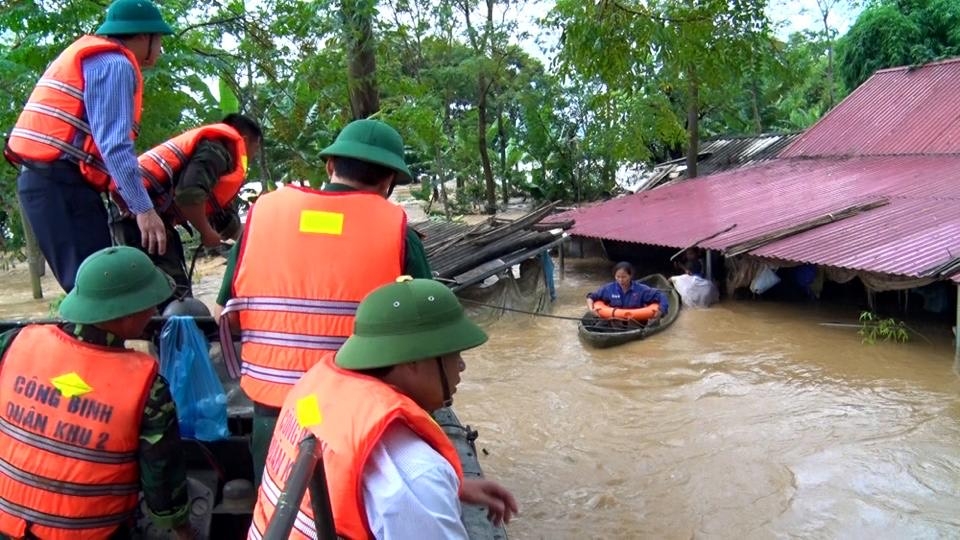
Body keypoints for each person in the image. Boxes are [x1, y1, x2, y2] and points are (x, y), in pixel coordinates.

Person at [216, 118, 432, 487]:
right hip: (357, 413)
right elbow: (429, 331)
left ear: (330, 166)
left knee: (276, 511)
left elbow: (226, 308)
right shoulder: (396, 230)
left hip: (274, 411)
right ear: (389, 182)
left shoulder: (263, 214)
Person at [248, 277, 518, 539]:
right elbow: (407, 484)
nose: (461, 366)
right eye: (453, 354)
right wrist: (433, 492)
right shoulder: (416, 472)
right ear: (414, 360)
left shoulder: (318, 388)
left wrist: (453, 487)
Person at [0, 246, 194, 540]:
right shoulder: (147, 389)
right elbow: (162, 480)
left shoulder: (16, 342)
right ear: (127, 314)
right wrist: (182, 527)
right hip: (90, 533)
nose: (154, 311)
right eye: (150, 304)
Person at [4, 0, 175, 293]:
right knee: (96, 290)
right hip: (61, 186)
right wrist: (144, 209)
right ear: (143, 37)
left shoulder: (93, 59)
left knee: (87, 285)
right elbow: (115, 146)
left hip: (45, 183)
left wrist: (121, 194)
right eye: (159, 40)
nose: (160, 49)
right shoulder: (116, 65)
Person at [109, 114, 264, 299]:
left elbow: (220, 214)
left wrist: (251, 241)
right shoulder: (217, 149)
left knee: (169, 289)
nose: (253, 157)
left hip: (145, 216)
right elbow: (188, 196)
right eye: (255, 149)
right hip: (138, 217)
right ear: (245, 140)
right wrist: (206, 232)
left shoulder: (215, 152)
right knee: (171, 293)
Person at [586, 261, 670, 316]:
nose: (620, 280)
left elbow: (661, 296)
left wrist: (661, 310)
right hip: (615, 319)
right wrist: (591, 309)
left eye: (624, 277)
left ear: (630, 276)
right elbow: (591, 297)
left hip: (636, 320)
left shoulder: (641, 290)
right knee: (614, 321)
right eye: (618, 277)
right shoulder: (609, 288)